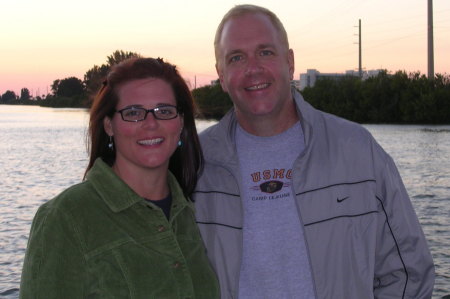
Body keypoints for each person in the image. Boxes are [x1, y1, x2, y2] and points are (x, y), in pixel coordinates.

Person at [193, 4, 435, 299]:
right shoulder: (196, 164)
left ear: (290, 62)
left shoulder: (357, 150)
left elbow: (408, 271)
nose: (252, 68)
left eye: (265, 52)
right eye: (236, 57)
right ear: (221, 74)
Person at [20, 57, 219, 298]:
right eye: (133, 113)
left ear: (181, 122)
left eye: (164, 111)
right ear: (109, 125)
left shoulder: (192, 214)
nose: (151, 124)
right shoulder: (65, 218)